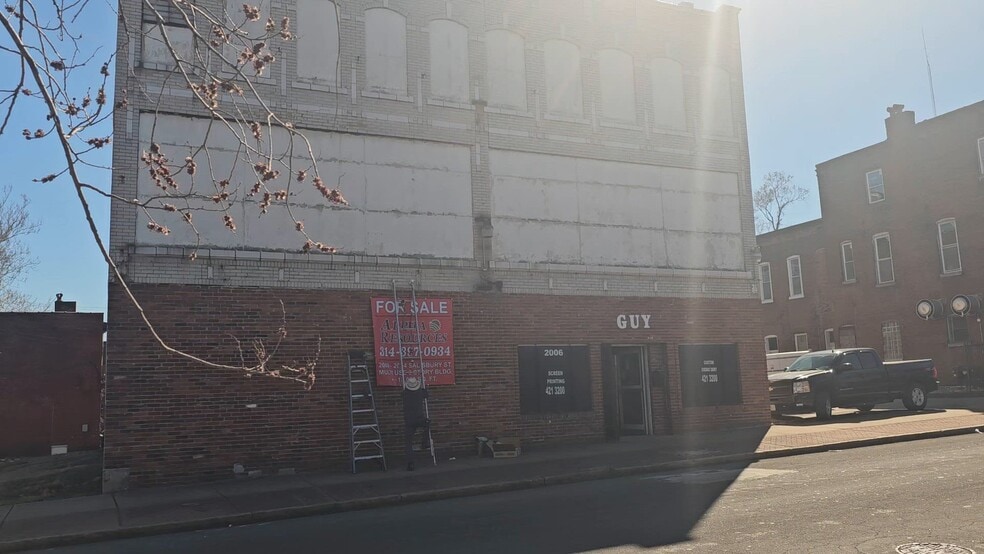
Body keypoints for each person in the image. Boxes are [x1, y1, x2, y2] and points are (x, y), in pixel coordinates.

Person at [402, 375, 430, 471]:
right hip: (419, 419)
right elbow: (427, 395)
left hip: (409, 420)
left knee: (408, 442)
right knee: (427, 424)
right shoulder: (421, 392)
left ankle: (410, 463)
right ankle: (424, 442)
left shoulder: (404, 393)